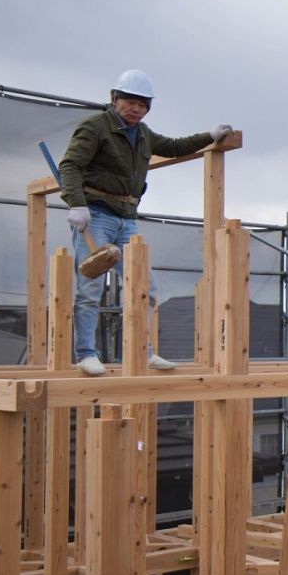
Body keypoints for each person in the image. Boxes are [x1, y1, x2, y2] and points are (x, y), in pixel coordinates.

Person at [59, 69, 232, 376]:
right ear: (114, 100)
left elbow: (174, 146)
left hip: (127, 219)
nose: (136, 108)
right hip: (97, 214)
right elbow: (71, 165)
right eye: (129, 102)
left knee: (145, 288)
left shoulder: (143, 134)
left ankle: (142, 351)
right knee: (90, 287)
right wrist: (77, 203)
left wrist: (210, 136)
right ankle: (86, 353)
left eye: (142, 104)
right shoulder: (95, 127)